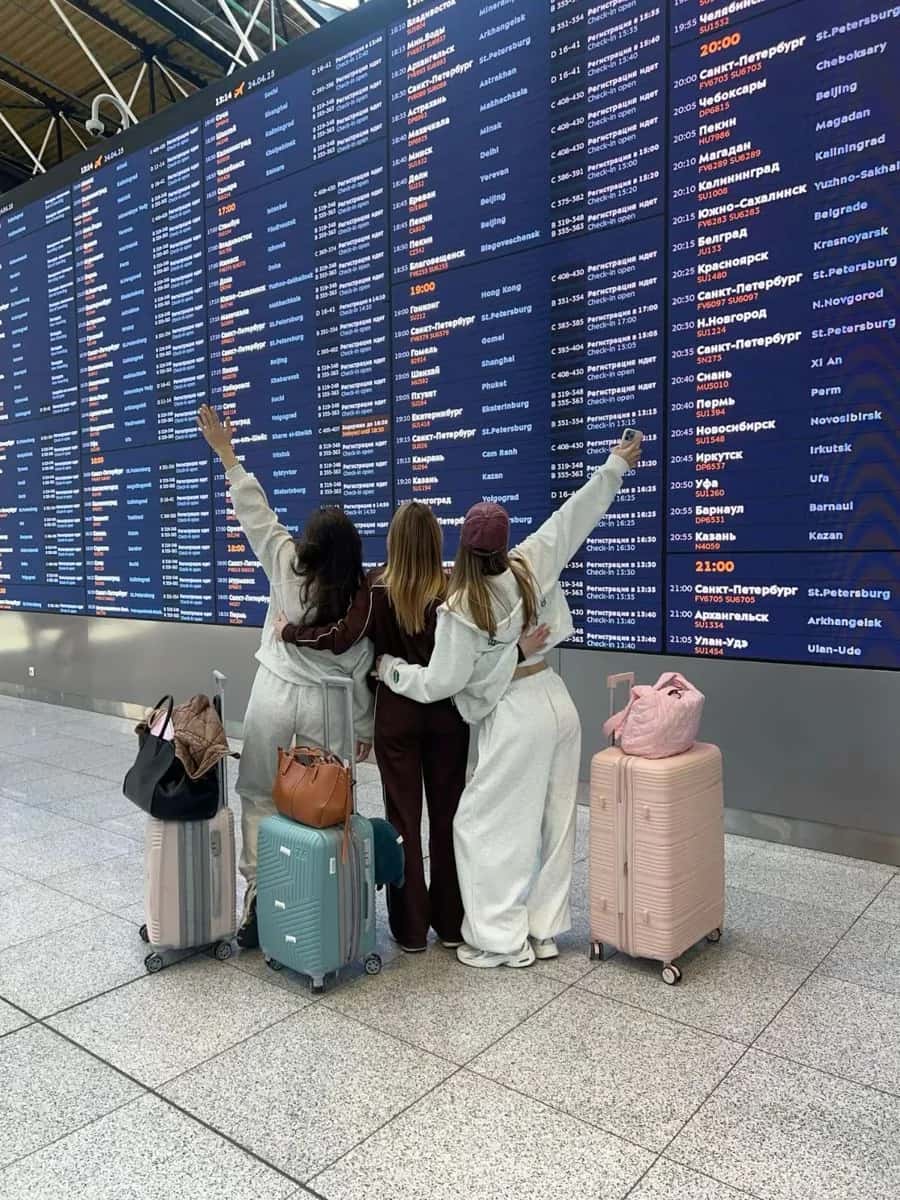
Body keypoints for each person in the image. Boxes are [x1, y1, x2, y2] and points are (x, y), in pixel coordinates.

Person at [373, 437, 642, 968]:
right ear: (505, 541)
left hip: (515, 712)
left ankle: (500, 937)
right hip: (557, 702)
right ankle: (545, 930)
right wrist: (613, 466)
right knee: (557, 820)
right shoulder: (529, 565)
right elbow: (574, 517)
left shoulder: (460, 606)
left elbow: (438, 685)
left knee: (484, 825)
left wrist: (391, 669)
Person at [274, 500, 549, 953]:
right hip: (447, 718)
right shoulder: (453, 590)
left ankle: (409, 929)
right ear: (437, 541)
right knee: (447, 818)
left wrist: (289, 632)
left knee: (403, 818)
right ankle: (451, 921)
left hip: (396, 716)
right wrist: (517, 651)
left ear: (393, 541)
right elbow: (482, 660)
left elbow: (341, 637)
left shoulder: (377, 587)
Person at [197, 405, 374, 948]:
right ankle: (319, 897)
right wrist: (363, 727)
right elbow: (364, 664)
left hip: (273, 692)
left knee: (258, 794)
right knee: (323, 802)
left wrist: (227, 453)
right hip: (329, 701)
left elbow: (256, 512)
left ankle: (260, 897)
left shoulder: (285, 566)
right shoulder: (359, 596)